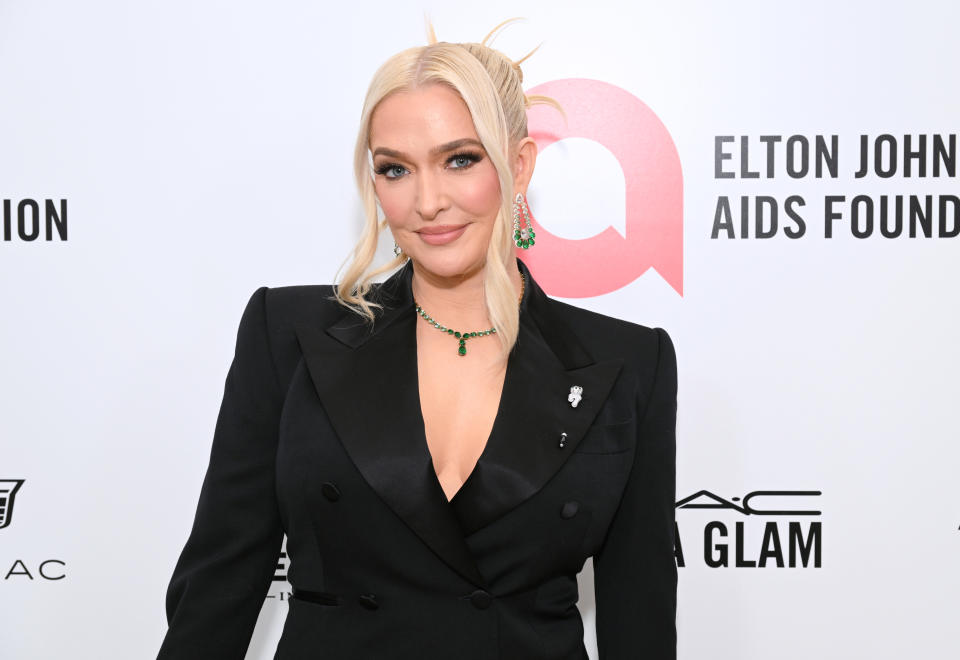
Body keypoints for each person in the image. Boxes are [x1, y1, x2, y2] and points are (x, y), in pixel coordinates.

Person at [156, 17, 677, 660]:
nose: (427, 201)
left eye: (460, 159)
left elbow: (641, 617)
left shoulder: (627, 365)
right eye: (395, 170)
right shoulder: (287, 336)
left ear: (518, 165)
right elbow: (220, 584)